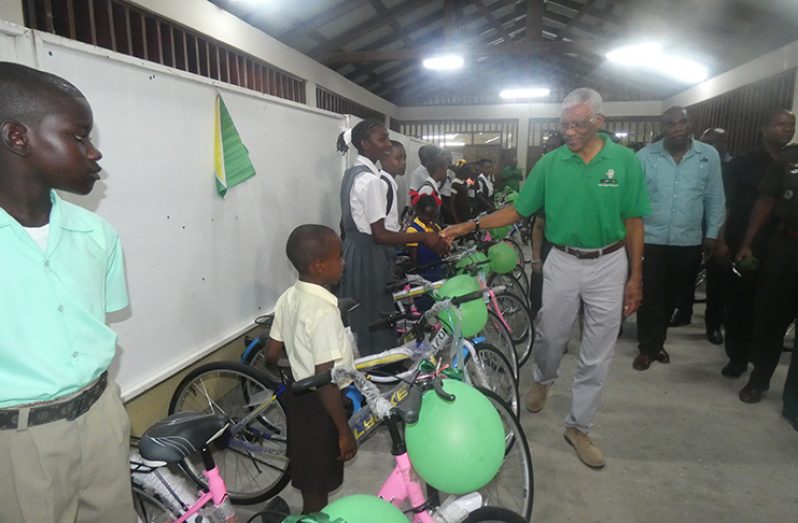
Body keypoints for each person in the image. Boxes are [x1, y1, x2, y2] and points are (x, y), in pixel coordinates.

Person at [443, 88, 650, 469]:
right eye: (563, 124)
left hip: (609, 262)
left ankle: (579, 426)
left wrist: (635, 277)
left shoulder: (623, 162)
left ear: (599, 122)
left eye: (578, 124)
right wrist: (468, 224)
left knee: (597, 351)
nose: (569, 132)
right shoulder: (550, 164)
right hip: (563, 260)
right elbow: (517, 211)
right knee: (552, 334)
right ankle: (544, 377)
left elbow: (635, 221)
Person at [0, 62, 134, 521]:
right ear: (18, 138)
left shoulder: (98, 234)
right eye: (79, 137)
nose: (94, 153)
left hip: (101, 419)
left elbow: (96, 323)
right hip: (17, 443)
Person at [265, 224, 356, 513]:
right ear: (319, 266)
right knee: (317, 488)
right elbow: (325, 380)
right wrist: (343, 430)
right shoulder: (323, 312)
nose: (343, 262)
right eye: (338, 257)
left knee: (308, 476)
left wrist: (297, 356)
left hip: (298, 400)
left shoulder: (287, 298)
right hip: (322, 408)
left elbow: (271, 353)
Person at [336, 120, 448, 357]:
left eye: (387, 138)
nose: (387, 144)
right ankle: (380, 363)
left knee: (360, 312)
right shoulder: (372, 180)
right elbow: (380, 234)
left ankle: (362, 361)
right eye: (382, 139)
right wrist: (424, 236)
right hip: (369, 255)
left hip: (353, 251)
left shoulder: (351, 174)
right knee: (377, 312)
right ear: (365, 144)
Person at [632, 107, 725, 371]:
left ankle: (657, 340)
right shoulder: (645, 157)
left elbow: (715, 198)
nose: (677, 128)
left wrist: (712, 234)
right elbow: (634, 201)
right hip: (651, 239)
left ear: (690, 124)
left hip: (688, 240)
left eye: (682, 122)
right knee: (650, 295)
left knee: (675, 296)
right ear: (662, 128)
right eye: (670, 123)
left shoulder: (708, 156)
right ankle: (648, 348)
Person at [718, 111, 795, 378]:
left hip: (782, 246)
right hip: (746, 241)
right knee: (741, 302)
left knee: (770, 309)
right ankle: (736, 358)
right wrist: (722, 238)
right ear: (764, 129)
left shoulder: (792, 161)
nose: (786, 129)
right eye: (780, 124)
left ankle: (758, 359)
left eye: (791, 126)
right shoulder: (743, 163)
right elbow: (727, 202)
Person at [736, 143, 798, 406]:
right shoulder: (789, 158)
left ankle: (794, 402)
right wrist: (748, 243)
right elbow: (766, 201)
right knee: (771, 320)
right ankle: (759, 380)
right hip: (787, 247)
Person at [699, 127, 734, 345]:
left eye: (717, 141)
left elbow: (726, 203)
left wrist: (719, 235)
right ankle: (683, 312)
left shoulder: (733, 166)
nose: (712, 145)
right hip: (694, 225)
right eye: (707, 141)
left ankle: (714, 325)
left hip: (723, 229)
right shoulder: (698, 162)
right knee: (687, 273)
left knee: (718, 279)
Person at [406, 195, 444, 310]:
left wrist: (436, 230)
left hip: (436, 269)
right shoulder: (413, 230)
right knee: (424, 304)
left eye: (432, 216)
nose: (429, 219)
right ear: (418, 212)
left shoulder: (435, 227)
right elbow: (413, 255)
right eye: (426, 216)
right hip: (423, 272)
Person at [380, 139, 407, 231]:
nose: (403, 162)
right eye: (398, 158)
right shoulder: (384, 185)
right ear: (384, 161)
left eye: (404, 158)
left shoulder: (388, 183)